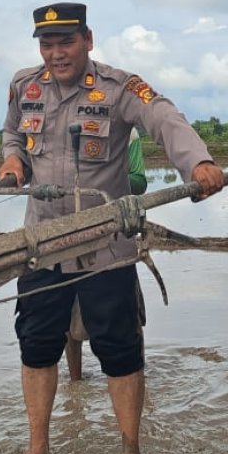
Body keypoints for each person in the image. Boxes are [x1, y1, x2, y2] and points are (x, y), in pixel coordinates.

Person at [0, 2, 224, 454]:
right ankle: (37, 450)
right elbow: (12, 134)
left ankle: (130, 451)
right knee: (36, 345)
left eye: (67, 42)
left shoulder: (119, 88)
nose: (56, 53)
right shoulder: (25, 86)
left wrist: (197, 162)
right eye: (47, 44)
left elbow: (164, 117)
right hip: (42, 246)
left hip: (106, 248)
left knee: (120, 349)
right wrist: (13, 159)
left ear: (88, 39)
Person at [64, 127, 147, 382]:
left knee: (128, 313)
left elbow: (139, 181)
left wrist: (110, 177)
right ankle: (75, 381)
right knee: (69, 319)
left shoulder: (128, 134)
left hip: (114, 229)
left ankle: (135, 372)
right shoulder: (59, 130)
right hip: (69, 229)